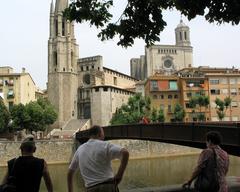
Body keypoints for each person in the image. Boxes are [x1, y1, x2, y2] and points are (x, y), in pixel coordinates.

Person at [67, 125, 129, 192]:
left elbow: (70, 173)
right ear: (99, 134)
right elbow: (125, 153)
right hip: (107, 187)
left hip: (91, 189)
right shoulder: (105, 145)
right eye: (103, 134)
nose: (104, 137)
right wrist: (119, 176)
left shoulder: (80, 149)